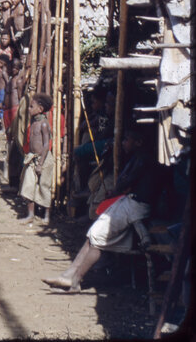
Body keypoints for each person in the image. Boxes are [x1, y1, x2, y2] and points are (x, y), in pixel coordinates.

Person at [42, 126, 156, 293]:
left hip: (136, 206)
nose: (123, 143)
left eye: (127, 139)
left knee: (97, 236)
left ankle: (75, 280)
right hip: (131, 203)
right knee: (93, 234)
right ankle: (69, 274)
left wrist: (115, 191)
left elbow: (125, 182)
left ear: (138, 142)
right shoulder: (138, 157)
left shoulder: (142, 159)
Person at [19, 93, 54, 224]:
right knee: (28, 185)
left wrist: (40, 163)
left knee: (44, 187)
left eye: (31, 106)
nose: (28, 109)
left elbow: (46, 145)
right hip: (32, 158)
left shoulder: (44, 124)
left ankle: (47, 215)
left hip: (43, 159)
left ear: (40, 109)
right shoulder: (34, 121)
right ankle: (30, 214)